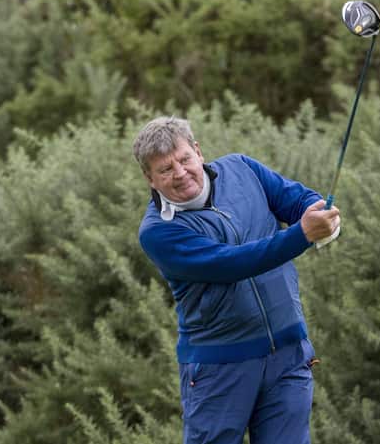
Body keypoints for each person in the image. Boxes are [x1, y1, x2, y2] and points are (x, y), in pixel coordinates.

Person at [133, 116, 341, 444]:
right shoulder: (159, 231)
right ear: (150, 179)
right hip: (219, 370)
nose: (180, 172)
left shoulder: (242, 168)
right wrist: (302, 234)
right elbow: (231, 264)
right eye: (165, 169)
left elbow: (298, 199)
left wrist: (323, 220)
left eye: (184, 159)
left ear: (198, 152)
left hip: (289, 354)